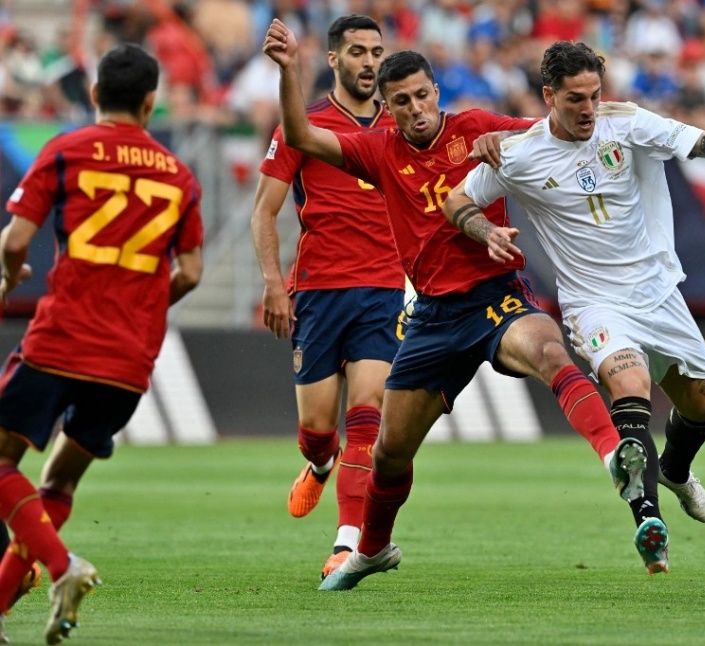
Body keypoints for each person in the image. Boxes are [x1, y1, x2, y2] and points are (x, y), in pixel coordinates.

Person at [262, 19, 663, 587]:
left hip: (494, 298)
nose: (416, 108)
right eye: (401, 101)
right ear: (387, 106)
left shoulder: (476, 127)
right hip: (430, 318)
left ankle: (614, 458)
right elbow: (301, 136)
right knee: (388, 456)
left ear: (436, 93)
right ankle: (372, 549)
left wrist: (529, 135)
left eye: (423, 95)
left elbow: (560, 130)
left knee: (550, 351)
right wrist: (289, 71)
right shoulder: (377, 150)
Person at [443, 41, 705, 569]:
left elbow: (704, 143)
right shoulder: (518, 154)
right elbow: (457, 199)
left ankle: (675, 472)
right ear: (548, 96)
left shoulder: (628, 123)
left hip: (657, 290)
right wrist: (486, 231)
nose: (588, 108)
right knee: (628, 381)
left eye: (594, 95)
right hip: (593, 302)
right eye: (574, 99)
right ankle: (648, 524)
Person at [0, 44, 204, 642]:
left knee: (3, 460)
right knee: (59, 483)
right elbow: (189, 271)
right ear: (151, 102)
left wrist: (11, 278)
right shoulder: (179, 174)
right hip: (129, 360)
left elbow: (15, 243)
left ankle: (63, 565)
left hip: (62, 338)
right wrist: (141, 307)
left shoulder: (65, 150)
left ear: (93, 96)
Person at [251, 14, 403, 582]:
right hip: (317, 291)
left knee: (368, 415)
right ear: (335, 60)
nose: (370, 62)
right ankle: (318, 463)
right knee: (318, 432)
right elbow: (263, 211)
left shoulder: (399, 123)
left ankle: (347, 544)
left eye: (377, 52)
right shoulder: (304, 123)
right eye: (358, 52)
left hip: (384, 290)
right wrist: (272, 282)